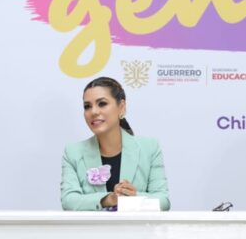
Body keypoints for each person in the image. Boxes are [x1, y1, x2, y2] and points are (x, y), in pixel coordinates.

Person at [61, 77, 171, 211]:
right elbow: (69, 201)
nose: (94, 112)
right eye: (87, 106)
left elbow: (163, 202)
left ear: (121, 107)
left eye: (102, 103)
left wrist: (134, 197)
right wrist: (108, 199)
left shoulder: (149, 148)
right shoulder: (73, 152)